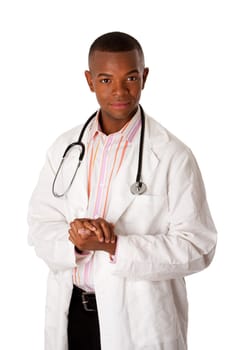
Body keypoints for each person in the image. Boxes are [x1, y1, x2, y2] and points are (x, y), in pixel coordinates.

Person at [28, 31, 217, 350]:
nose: (119, 90)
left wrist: (114, 245)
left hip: (139, 321)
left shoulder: (173, 155)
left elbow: (198, 247)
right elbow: (39, 226)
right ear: (89, 81)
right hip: (73, 315)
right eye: (105, 80)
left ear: (144, 76)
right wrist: (76, 239)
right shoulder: (65, 149)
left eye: (130, 77)